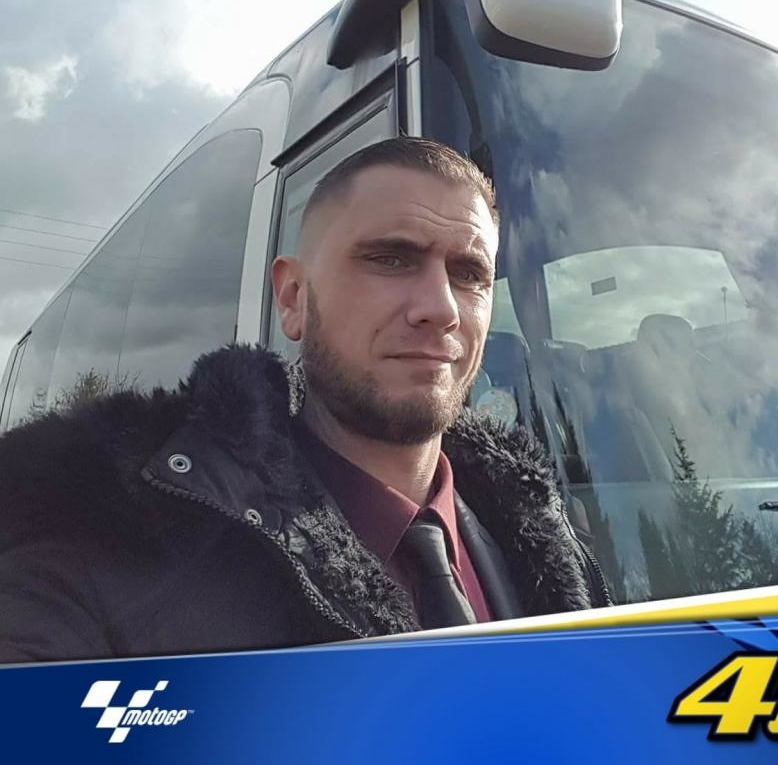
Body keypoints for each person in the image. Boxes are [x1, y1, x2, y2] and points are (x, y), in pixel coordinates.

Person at [0, 137, 607, 663]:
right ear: (293, 298)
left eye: (470, 274)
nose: (441, 308)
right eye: (391, 259)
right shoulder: (104, 569)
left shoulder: (545, 543)